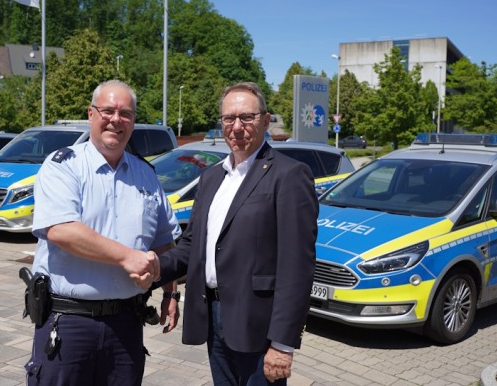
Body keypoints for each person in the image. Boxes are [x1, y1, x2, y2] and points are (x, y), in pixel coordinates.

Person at [154, 82, 318, 385]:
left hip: (258, 325)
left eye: (247, 117)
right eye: (229, 118)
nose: (237, 126)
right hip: (213, 316)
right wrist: (154, 266)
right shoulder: (212, 177)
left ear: (265, 121)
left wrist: (282, 343)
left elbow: (297, 266)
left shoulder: (289, 175)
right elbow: (192, 245)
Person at [24, 80, 182, 385]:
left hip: (126, 324)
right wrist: (128, 258)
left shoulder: (146, 175)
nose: (116, 120)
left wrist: (170, 292)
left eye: (125, 113)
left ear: (133, 121)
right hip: (69, 322)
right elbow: (61, 231)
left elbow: (164, 241)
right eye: (107, 111)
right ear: (91, 114)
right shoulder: (63, 166)